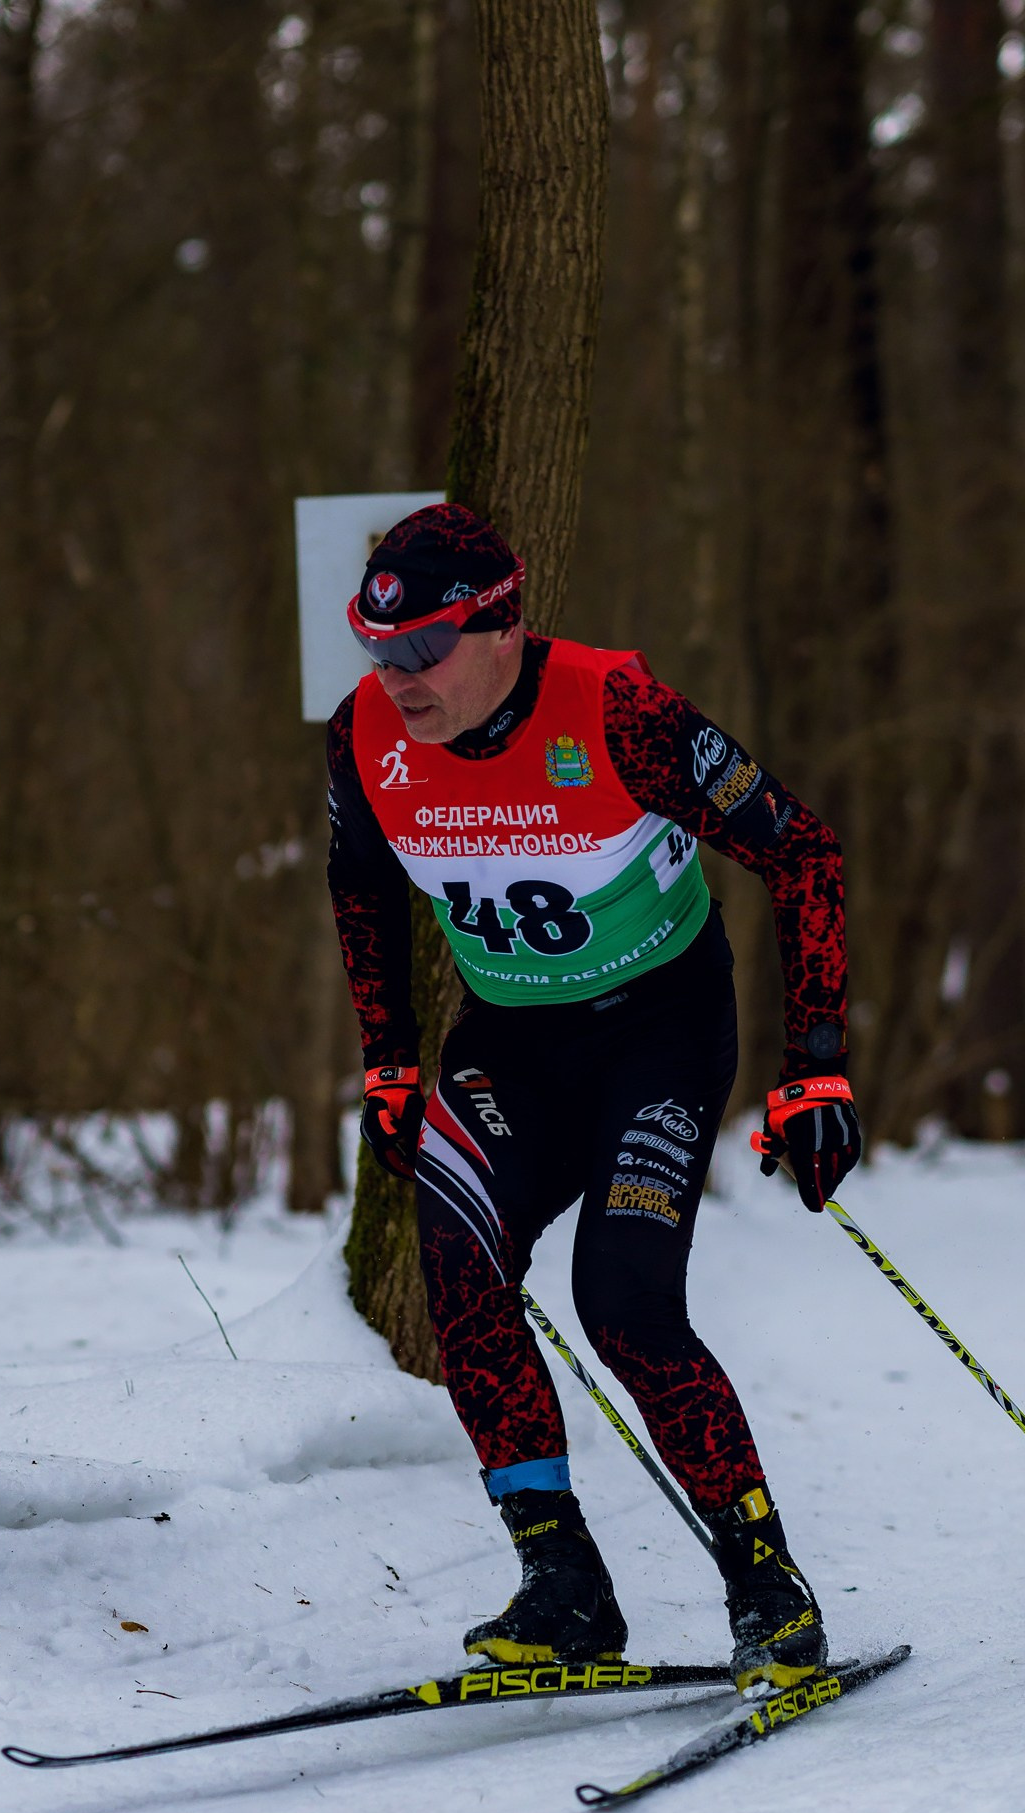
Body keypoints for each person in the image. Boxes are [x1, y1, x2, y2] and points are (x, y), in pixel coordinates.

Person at [325, 502, 862, 1693]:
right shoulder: (364, 735)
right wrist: (389, 1056)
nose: (396, 679)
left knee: (620, 1300)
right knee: (459, 1276)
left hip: (656, 1038)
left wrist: (812, 1062)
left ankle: (764, 1582)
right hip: (507, 1043)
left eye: (421, 651)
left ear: (502, 624)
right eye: (376, 651)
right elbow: (357, 884)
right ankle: (561, 1585)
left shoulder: (615, 711)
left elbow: (802, 851)